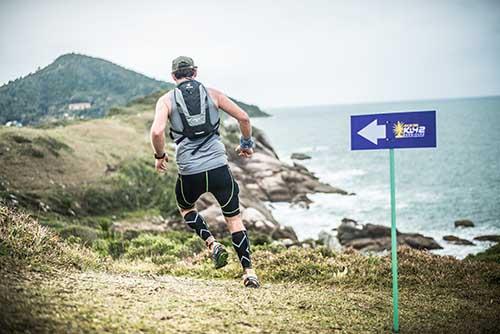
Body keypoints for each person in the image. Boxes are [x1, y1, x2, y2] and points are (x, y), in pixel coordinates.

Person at [150, 56, 260, 288]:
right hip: (219, 168)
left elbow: (157, 132)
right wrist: (246, 144)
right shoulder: (214, 94)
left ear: (173, 76)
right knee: (234, 219)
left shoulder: (166, 100)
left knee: (186, 207)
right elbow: (244, 117)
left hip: (190, 172)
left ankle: (212, 244)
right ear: (195, 72)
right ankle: (249, 273)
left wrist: (160, 156)